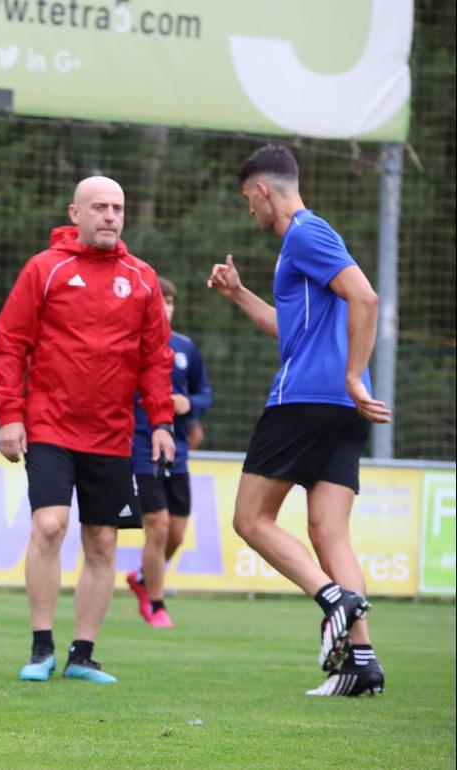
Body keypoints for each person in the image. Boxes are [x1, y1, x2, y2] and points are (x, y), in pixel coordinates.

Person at [208, 144, 389, 696]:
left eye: (248, 200)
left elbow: (367, 298)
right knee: (328, 530)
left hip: (304, 402)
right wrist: (239, 295)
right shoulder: (306, 247)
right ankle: (361, 662)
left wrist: (354, 374)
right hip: (340, 410)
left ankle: (333, 598)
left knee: (249, 520)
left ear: (264, 190)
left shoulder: (306, 234)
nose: (249, 213)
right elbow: (292, 330)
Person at [0, 176, 175, 685]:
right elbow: (10, 344)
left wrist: (161, 423)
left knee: (103, 543)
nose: (110, 216)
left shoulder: (141, 279)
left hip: (114, 435)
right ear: (76, 214)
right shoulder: (45, 270)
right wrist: (9, 412)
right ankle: (41, 647)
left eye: (117, 207)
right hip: (49, 425)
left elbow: (156, 360)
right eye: (99, 207)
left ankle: (82, 654)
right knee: (49, 526)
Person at [124, 277, 212, 628]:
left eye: (171, 302)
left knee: (175, 532)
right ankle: (157, 604)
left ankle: (144, 577)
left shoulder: (186, 349)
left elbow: (205, 394)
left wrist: (189, 406)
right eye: (161, 301)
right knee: (157, 527)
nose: (166, 308)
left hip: (178, 455)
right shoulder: (129, 347)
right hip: (141, 448)